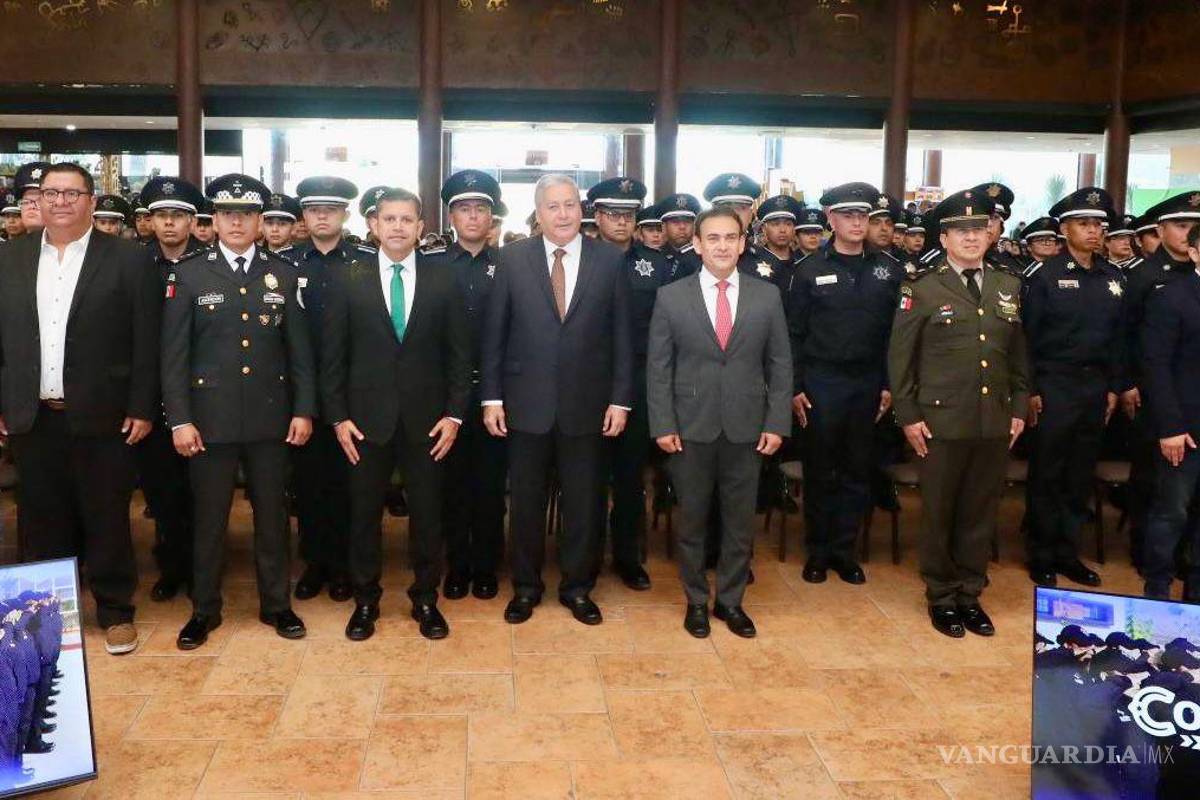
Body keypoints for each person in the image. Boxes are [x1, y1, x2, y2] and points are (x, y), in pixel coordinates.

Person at [0, 162, 161, 655]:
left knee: (106, 513)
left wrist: (141, 404)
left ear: (92, 201)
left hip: (104, 412)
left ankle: (115, 611)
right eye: (51, 193)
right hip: (32, 411)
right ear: (37, 201)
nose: (61, 201)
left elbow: (146, 340)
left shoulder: (129, 259)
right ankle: (49, 617)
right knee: (42, 519)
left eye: (73, 193)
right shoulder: (11, 258)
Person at [162, 173, 315, 649]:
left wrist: (304, 410)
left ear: (259, 221)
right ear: (214, 219)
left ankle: (276, 604)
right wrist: (180, 419)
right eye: (227, 213)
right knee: (209, 521)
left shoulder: (284, 274)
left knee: (272, 517)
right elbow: (174, 355)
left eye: (246, 214)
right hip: (209, 421)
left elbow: (300, 353)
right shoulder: (188, 273)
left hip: (272, 417)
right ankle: (205, 609)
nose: (236, 222)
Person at [481, 173, 633, 627]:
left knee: (584, 503)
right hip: (525, 404)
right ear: (538, 212)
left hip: (589, 406)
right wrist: (491, 398)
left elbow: (623, 336)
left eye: (570, 205)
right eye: (553, 206)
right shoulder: (511, 259)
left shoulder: (609, 261)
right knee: (525, 503)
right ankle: (526, 587)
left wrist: (621, 400)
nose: (563, 214)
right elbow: (495, 335)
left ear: (581, 209)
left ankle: (577, 587)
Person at [322, 187, 471, 641]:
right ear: (373, 225)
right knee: (363, 515)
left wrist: (455, 416)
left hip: (429, 423)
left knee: (428, 515)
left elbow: (460, 358)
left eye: (408, 219)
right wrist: (338, 417)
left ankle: (425, 599)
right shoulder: (348, 279)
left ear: (421, 227)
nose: (398, 227)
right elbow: (333, 358)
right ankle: (366, 601)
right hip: (364, 422)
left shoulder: (444, 278)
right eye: (389, 219)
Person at [888, 188, 1029, 638]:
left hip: (994, 418)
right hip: (940, 421)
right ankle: (942, 596)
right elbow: (901, 359)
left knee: (980, 511)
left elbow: (1019, 356)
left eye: (979, 229)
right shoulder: (923, 288)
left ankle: (971, 592)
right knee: (940, 510)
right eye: (960, 230)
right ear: (944, 238)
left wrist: (1020, 408)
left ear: (991, 234)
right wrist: (908, 416)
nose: (971, 237)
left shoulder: (1009, 285)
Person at [647, 206, 791, 638]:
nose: (723, 246)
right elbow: (659, 368)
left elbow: (780, 364)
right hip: (689, 427)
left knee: (739, 522)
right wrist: (662, 424)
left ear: (744, 243)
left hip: (748, 428)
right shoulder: (671, 297)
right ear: (697, 244)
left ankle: (730, 602)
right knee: (691, 520)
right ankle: (695, 601)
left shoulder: (767, 296)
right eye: (713, 238)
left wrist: (777, 422)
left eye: (731, 237)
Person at [787, 182, 897, 586]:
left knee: (857, 470)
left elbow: (893, 336)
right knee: (820, 470)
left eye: (863, 216)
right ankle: (817, 551)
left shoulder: (888, 268)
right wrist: (796, 385)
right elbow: (793, 334)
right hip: (821, 381)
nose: (856, 222)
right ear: (830, 219)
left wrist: (888, 383)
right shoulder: (809, 269)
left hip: (868, 382)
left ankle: (844, 551)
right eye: (847, 215)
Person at [1023, 187, 1126, 589]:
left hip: (1095, 386)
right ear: (1064, 229)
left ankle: (1069, 552)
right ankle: (1041, 553)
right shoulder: (1045, 277)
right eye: (1084, 224)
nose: (1093, 231)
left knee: (1080, 474)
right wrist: (1031, 388)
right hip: (1054, 384)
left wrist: (1114, 387)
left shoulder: (1112, 277)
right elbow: (1027, 338)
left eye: (1098, 225)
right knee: (1048, 471)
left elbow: (1119, 339)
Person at [290, 176, 372, 603]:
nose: (322, 215)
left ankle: (344, 565)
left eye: (331, 209)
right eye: (314, 209)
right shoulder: (285, 264)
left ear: (345, 214)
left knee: (349, 484)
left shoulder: (365, 261)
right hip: (302, 393)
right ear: (304, 215)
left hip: (354, 392)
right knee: (308, 485)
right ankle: (314, 563)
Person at [587, 176, 665, 591]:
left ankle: (627, 557)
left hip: (637, 384)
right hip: (589, 383)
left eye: (628, 215)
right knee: (588, 478)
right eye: (613, 214)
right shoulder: (580, 259)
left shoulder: (655, 265)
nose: (620, 222)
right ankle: (588, 553)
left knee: (631, 478)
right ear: (597, 217)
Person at [433, 171, 508, 602]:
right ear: (452, 215)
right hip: (446, 395)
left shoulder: (512, 264)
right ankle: (456, 566)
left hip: (497, 394)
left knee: (491, 487)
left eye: (481, 208)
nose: (473, 215)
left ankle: (486, 567)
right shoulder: (434, 264)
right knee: (452, 487)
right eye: (464, 208)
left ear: (492, 215)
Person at [138, 176, 209, 602]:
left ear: (192, 221)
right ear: (149, 222)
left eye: (178, 216)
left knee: (201, 491)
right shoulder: (135, 264)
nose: (169, 224)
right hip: (151, 396)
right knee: (162, 490)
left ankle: (202, 568)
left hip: (199, 395)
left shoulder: (208, 263)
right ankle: (172, 565)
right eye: (161, 216)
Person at [1123, 193, 1200, 575]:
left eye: (1192, 228)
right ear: (1160, 230)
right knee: (1154, 483)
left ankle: (1184, 557)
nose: (1187, 235)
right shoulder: (1146, 275)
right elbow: (1128, 335)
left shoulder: (1192, 277)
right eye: (1182, 226)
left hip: (1189, 398)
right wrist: (1128, 383)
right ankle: (1146, 555)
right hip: (1153, 392)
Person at [1141, 223, 1200, 599]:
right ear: (1194, 253)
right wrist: (1170, 427)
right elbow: (1156, 366)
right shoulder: (1172, 296)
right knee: (1172, 512)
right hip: (1183, 426)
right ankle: (1158, 586)